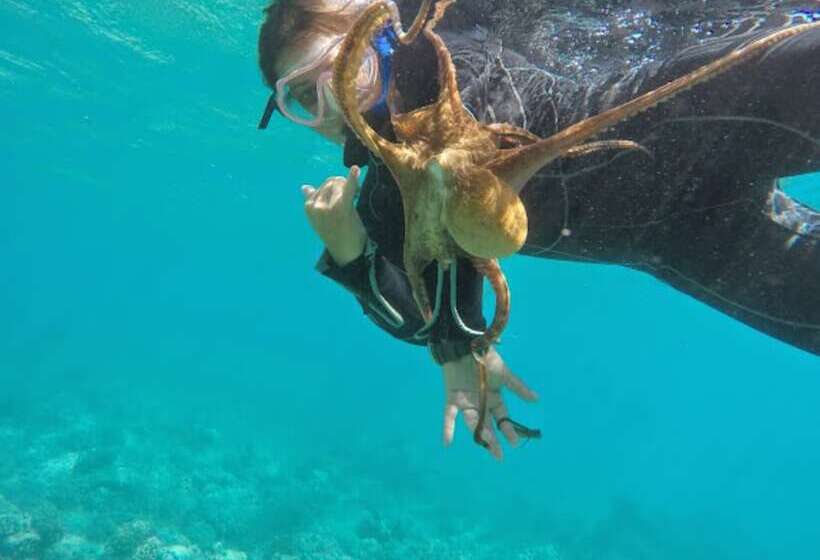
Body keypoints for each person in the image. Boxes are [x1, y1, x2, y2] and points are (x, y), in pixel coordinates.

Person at [257, 0, 820, 459]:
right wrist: (351, 255)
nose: (333, 105)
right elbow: (422, 317)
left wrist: (459, 343)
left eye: (345, 70)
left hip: (694, 112)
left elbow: (457, 160)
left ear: (380, 41)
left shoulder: (455, 61)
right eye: (304, 98)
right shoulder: (381, 198)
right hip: (685, 241)